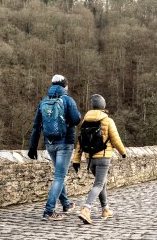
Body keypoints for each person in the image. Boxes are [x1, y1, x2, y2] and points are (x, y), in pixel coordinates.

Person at [28, 74, 82, 221]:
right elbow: (76, 120)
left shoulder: (44, 101)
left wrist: (32, 146)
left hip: (50, 144)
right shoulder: (67, 100)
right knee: (59, 176)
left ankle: (66, 204)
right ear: (64, 85)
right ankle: (49, 211)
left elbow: (36, 125)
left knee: (59, 175)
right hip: (65, 144)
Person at [72, 94, 126, 225]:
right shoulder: (108, 121)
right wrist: (123, 153)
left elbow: (79, 142)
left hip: (90, 158)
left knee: (102, 183)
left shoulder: (85, 121)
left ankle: (105, 209)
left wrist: (76, 160)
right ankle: (86, 208)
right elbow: (116, 139)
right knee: (98, 184)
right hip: (103, 157)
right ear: (103, 106)